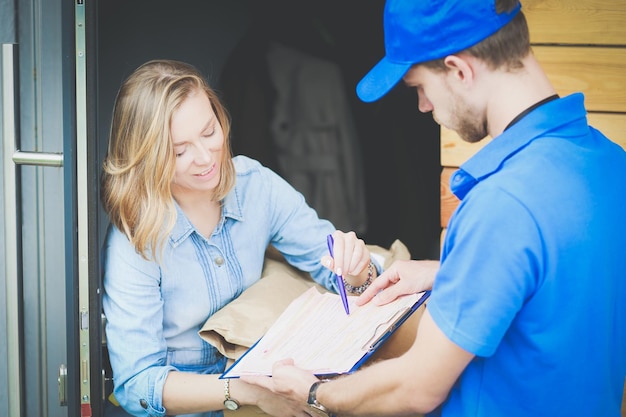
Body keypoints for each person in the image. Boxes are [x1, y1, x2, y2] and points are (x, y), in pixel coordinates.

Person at [245, 0, 626, 416]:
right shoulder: (610, 162)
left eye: (419, 88)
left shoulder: (501, 204)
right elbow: (561, 278)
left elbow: (417, 389)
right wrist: (449, 270)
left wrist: (315, 393)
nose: (423, 106)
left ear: (459, 70)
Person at [100, 59, 379, 417]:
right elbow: (138, 384)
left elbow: (332, 263)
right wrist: (247, 391)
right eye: (179, 150)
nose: (205, 158)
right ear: (146, 156)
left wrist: (356, 273)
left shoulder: (256, 186)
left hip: (270, 380)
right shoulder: (134, 239)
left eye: (209, 131)